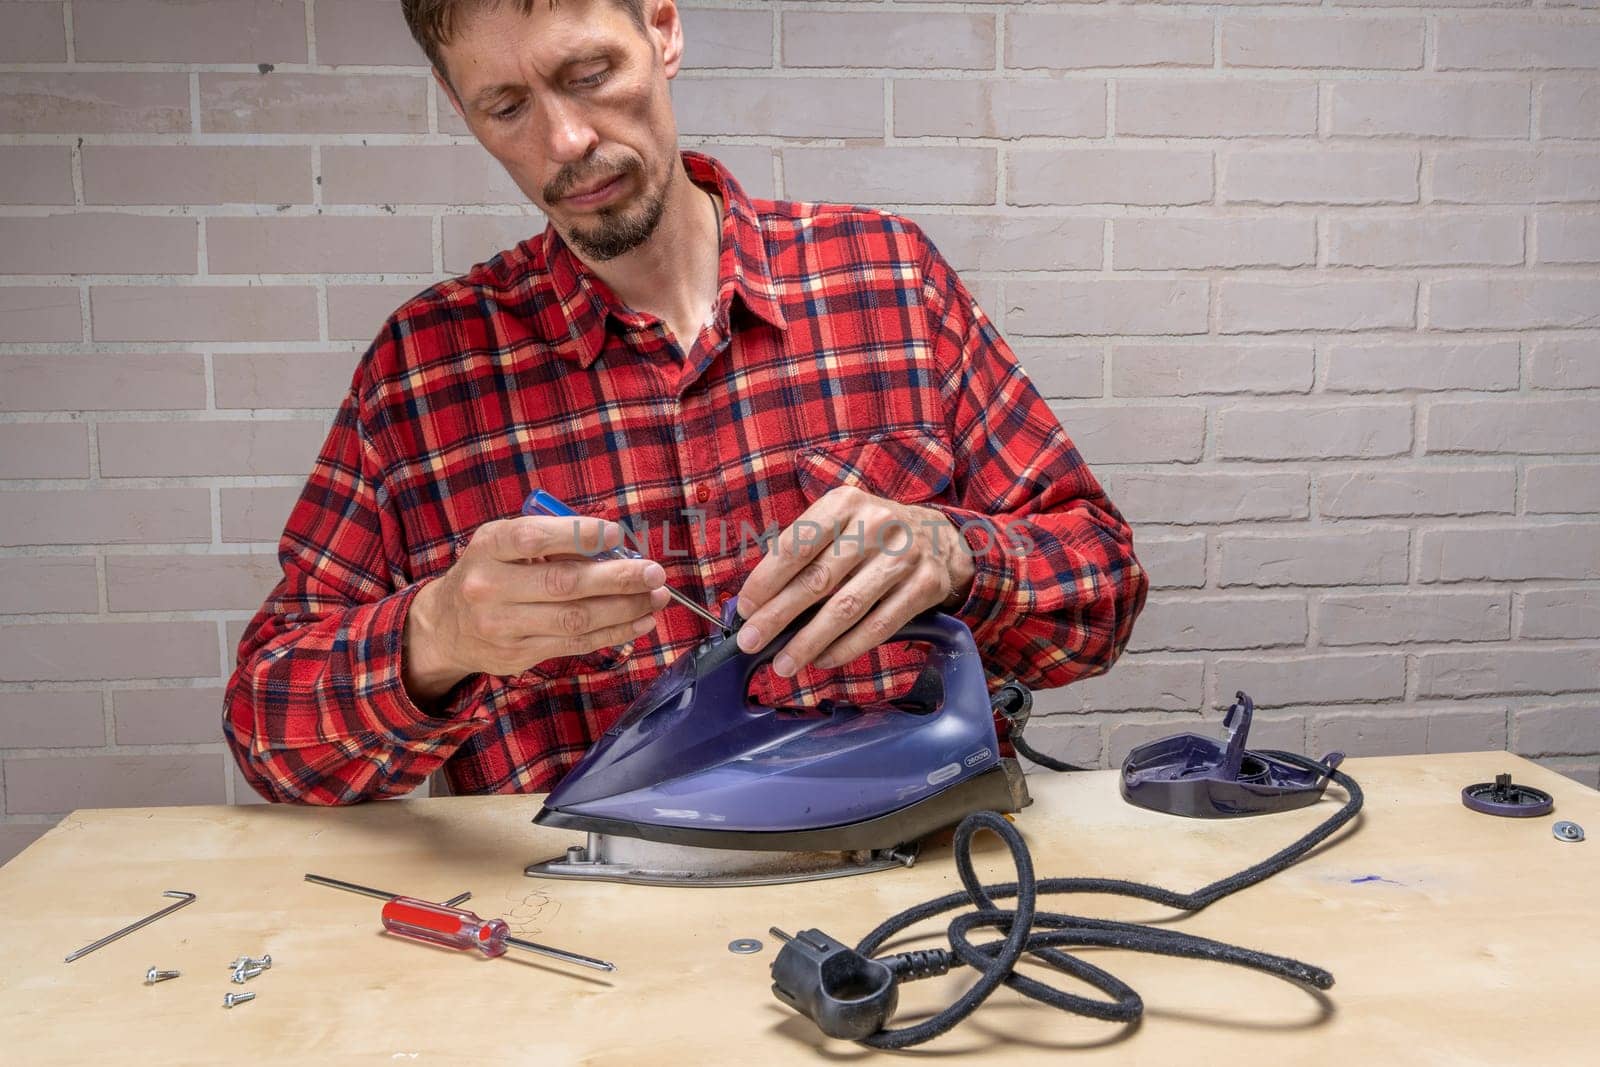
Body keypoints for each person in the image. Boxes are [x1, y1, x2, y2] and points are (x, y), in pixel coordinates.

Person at [223, 0, 1147, 804]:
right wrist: (437, 633)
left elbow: (1102, 591)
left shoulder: (888, 276)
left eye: (589, 74)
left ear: (662, 30)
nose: (566, 143)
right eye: (506, 107)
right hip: (575, 942)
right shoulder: (423, 370)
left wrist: (958, 555)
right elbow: (270, 736)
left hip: (894, 901)